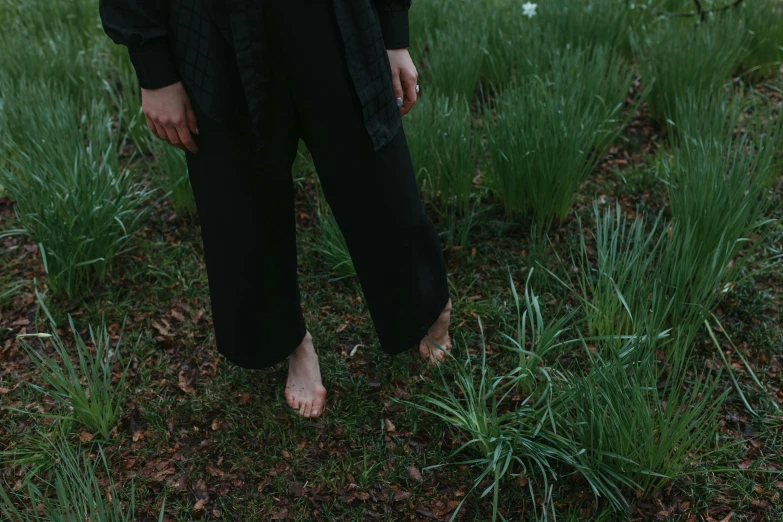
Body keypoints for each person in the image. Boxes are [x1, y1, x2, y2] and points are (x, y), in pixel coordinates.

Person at [99, 0, 452, 419]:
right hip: (211, 27)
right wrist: (154, 67)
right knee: (240, 199)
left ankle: (426, 303)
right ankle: (291, 340)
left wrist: (393, 32)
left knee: (378, 173)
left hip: (334, 13)